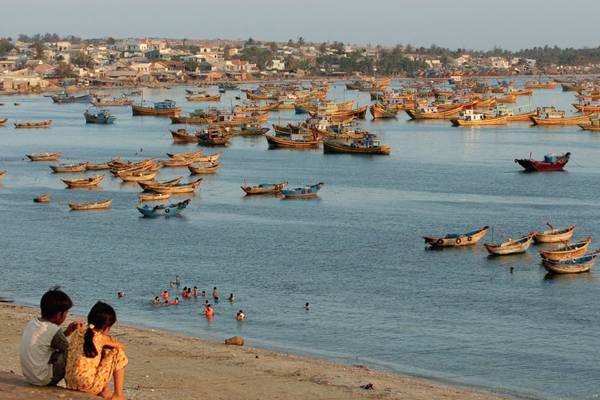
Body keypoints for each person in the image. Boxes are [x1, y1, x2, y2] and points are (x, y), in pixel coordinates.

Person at [65, 301, 128, 400]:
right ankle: (118, 395)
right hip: (87, 386)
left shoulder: (78, 331)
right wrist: (108, 342)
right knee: (118, 353)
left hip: (70, 383)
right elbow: (122, 346)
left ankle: (104, 390)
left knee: (98, 351)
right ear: (106, 327)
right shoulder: (100, 338)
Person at [20, 288, 82, 386]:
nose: (66, 316)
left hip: (30, 376)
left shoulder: (33, 322)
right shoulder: (53, 330)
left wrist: (67, 332)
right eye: (66, 313)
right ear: (58, 315)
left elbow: (48, 340)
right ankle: (73, 384)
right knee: (72, 354)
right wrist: (80, 334)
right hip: (42, 379)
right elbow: (69, 349)